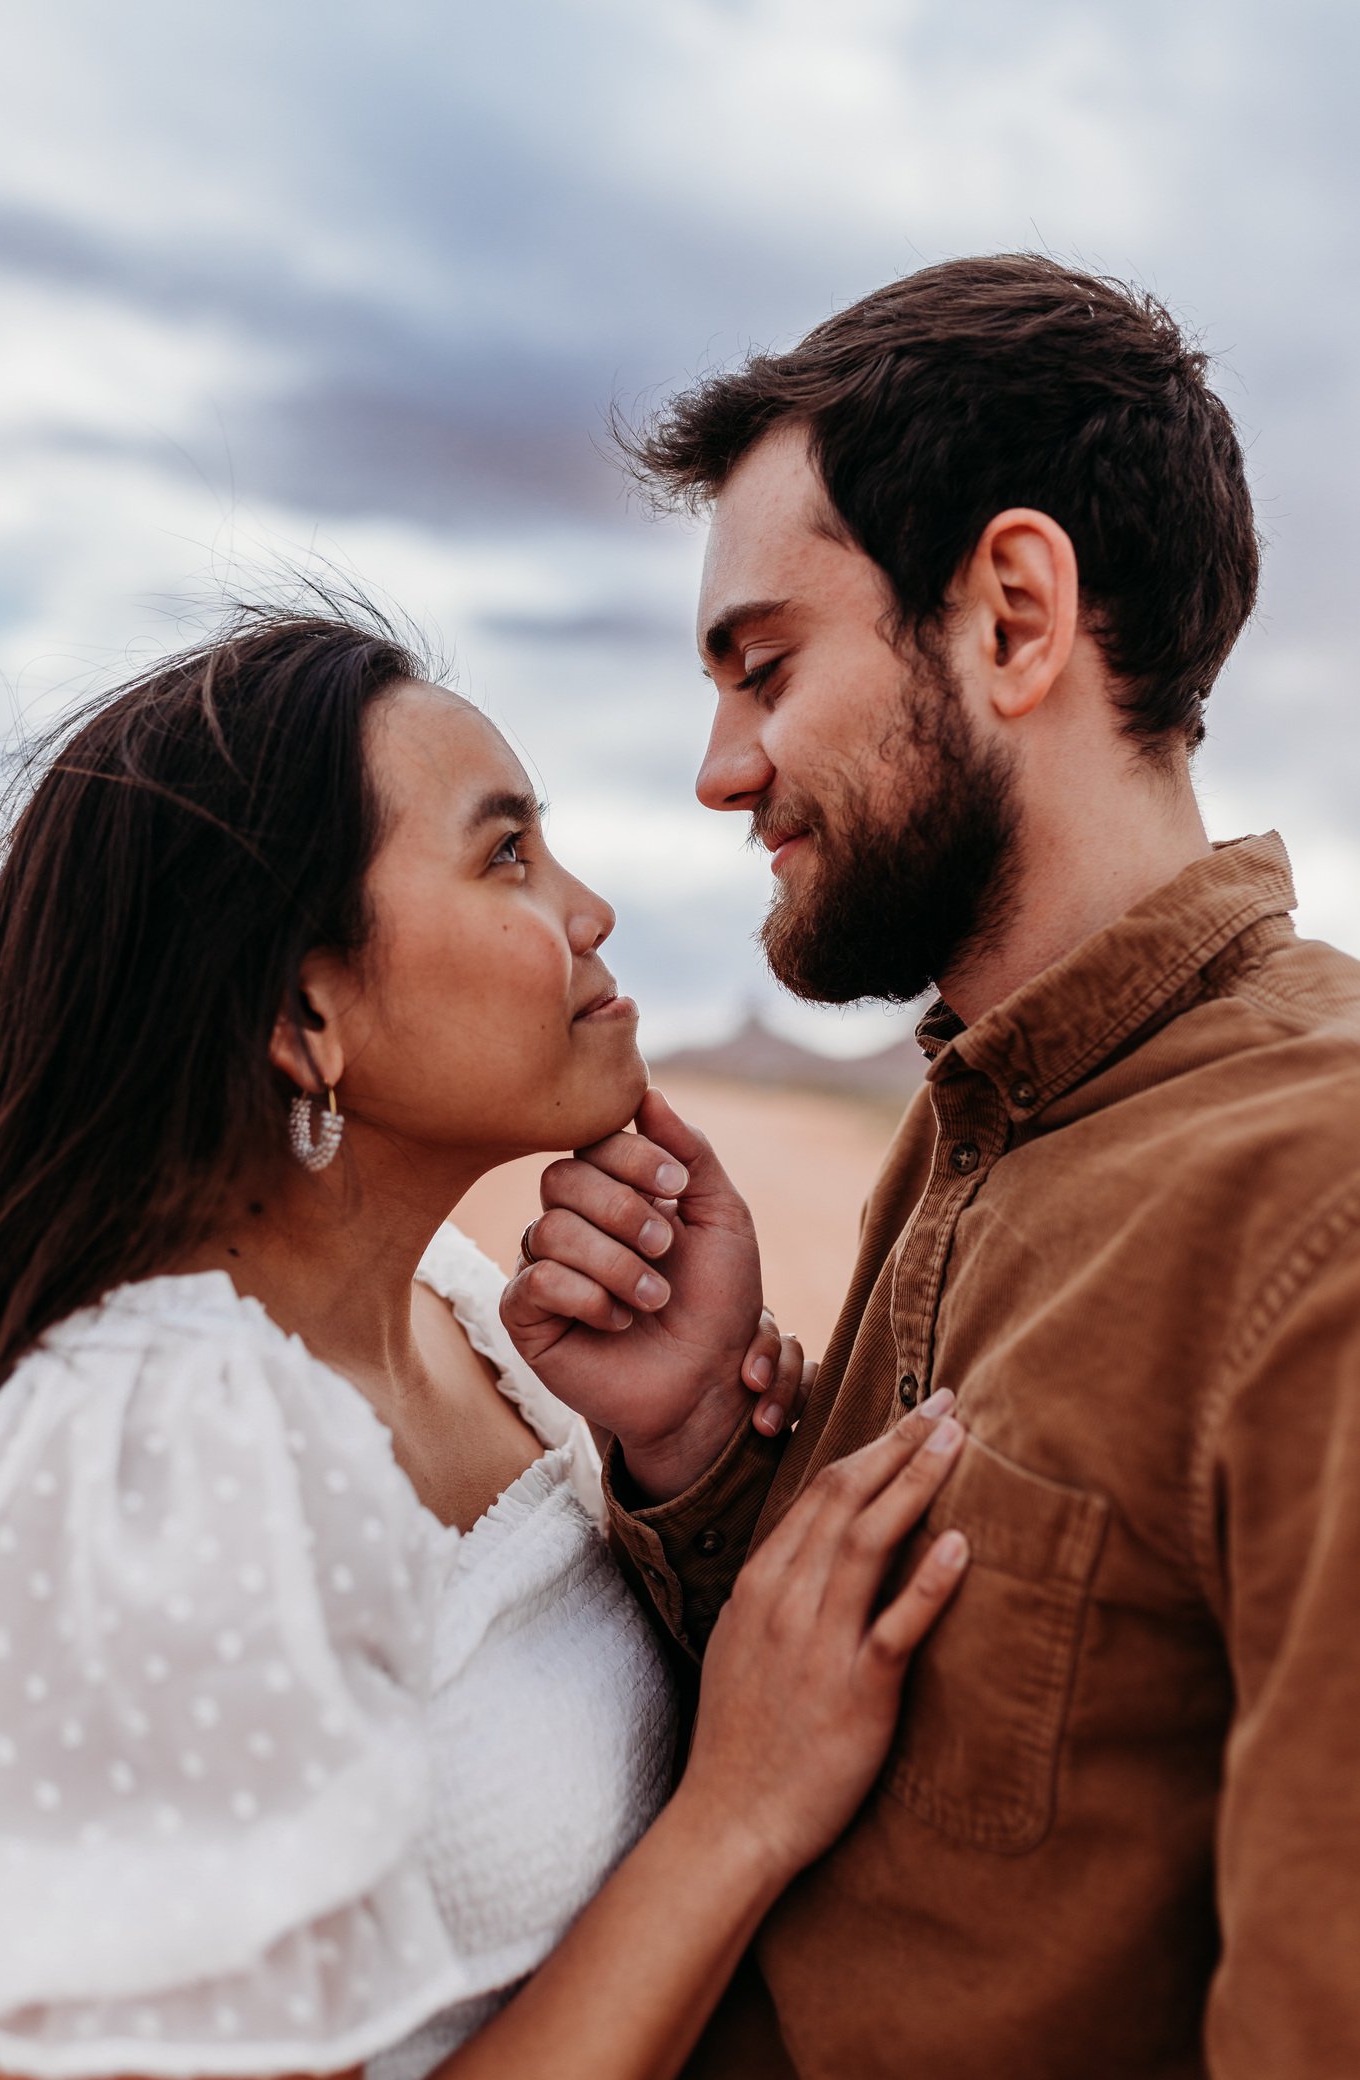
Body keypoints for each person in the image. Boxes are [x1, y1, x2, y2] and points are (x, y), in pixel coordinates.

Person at [501, 255, 1360, 2078]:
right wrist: (703, 1448)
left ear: (1013, 620)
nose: (720, 771)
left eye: (764, 668)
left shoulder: (1318, 1199)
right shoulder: (986, 1108)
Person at [0, 608, 975, 2080]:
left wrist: (678, 1441)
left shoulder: (458, 1311)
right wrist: (739, 1813)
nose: (591, 911)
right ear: (306, 1014)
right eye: (506, 855)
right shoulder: (156, 1467)